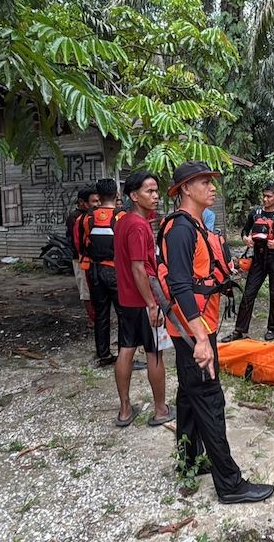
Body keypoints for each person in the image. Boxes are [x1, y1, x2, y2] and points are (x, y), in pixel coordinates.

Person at [159, 161, 273, 504]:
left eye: (212, 181)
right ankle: (230, 484)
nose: (212, 187)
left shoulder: (194, 226)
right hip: (194, 331)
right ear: (185, 189)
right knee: (210, 399)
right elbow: (179, 284)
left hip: (197, 328)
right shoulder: (181, 229)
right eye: (205, 182)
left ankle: (189, 459)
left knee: (190, 395)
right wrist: (201, 340)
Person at [112, 171, 174, 428]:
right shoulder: (138, 226)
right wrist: (152, 304)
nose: (156, 196)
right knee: (154, 353)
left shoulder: (124, 221)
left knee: (126, 349)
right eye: (149, 191)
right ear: (134, 195)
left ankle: (125, 410)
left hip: (125, 298)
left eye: (156, 191)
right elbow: (139, 267)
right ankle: (160, 409)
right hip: (144, 298)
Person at [222, 184, 274, 342]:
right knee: (248, 293)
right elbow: (244, 231)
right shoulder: (255, 213)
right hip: (258, 259)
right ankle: (240, 330)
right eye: (264, 196)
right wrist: (245, 239)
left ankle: (272, 329)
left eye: (269, 196)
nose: (266, 199)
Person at [84, 179, 124, 366]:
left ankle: (104, 354)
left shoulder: (87, 218)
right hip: (116, 271)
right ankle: (125, 355)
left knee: (101, 313)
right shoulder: (121, 216)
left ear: (98, 197)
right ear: (116, 194)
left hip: (95, 270)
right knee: (124, 314)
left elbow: (80, 244)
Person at [67, 188, 99, 324]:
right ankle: (93, 319)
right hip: (81, 258)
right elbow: (77, 241)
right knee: (86, 289)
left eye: (98, 200)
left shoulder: (93, 215)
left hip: (94, 258)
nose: (97, 204)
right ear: (82, 202)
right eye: (94, 201)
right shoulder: (75, 217)